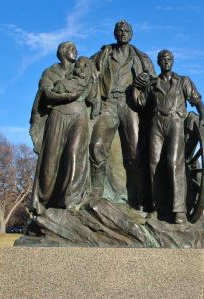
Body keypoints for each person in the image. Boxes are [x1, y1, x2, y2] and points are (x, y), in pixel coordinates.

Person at [132, 49, 204, 224]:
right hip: (157, 124)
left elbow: (197, 101)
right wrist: (135, 87)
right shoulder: (153, 84)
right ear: (158, 63)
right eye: (163, 59)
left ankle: (178, 211)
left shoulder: (183, 81)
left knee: (174, 163)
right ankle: (159, 207)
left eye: (169, 59)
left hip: (175, 122)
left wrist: (203, 117)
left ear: (173, 62)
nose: (166, 62)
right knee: (154, 164)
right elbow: (140, 103)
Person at [89, 20, 156, 209]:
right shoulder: (103, 55)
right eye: (120, 30)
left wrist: (146, 82)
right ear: (115, 33)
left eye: (126, 30)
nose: (123, 33)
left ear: (131, 34)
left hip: (130, 105)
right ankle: (96, 192)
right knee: (96, 146)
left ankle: (137, 199)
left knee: (135, 152)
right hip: (108, 103)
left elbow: (154, 83)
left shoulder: (142, 58)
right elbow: (85, 70)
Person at [29, 42, 97, 214]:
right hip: (58, 115)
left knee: (75, 154)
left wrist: (93, 82)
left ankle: (71, 200)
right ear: (61, 53)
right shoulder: (51, 72)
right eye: (70, 49)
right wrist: (67, 96)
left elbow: (92, 98)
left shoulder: (84, 69)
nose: (74, 51)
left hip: (79, 115)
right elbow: (46, 94)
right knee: (50, 160)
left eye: (75, 48)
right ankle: (44, 200)